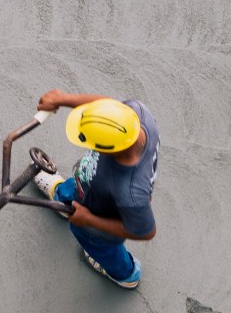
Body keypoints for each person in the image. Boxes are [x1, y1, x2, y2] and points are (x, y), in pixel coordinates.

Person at [34, 89, 159, 289]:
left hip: (102, 220)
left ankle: (126, 274)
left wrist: (88, 219)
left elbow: (146, 230)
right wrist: (63, 99)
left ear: (109, 148)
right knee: (77, 186)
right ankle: (62, 198)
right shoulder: (137, 114)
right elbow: (107, 106)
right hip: (89, 185)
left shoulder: (130, 192)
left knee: (102, 247)